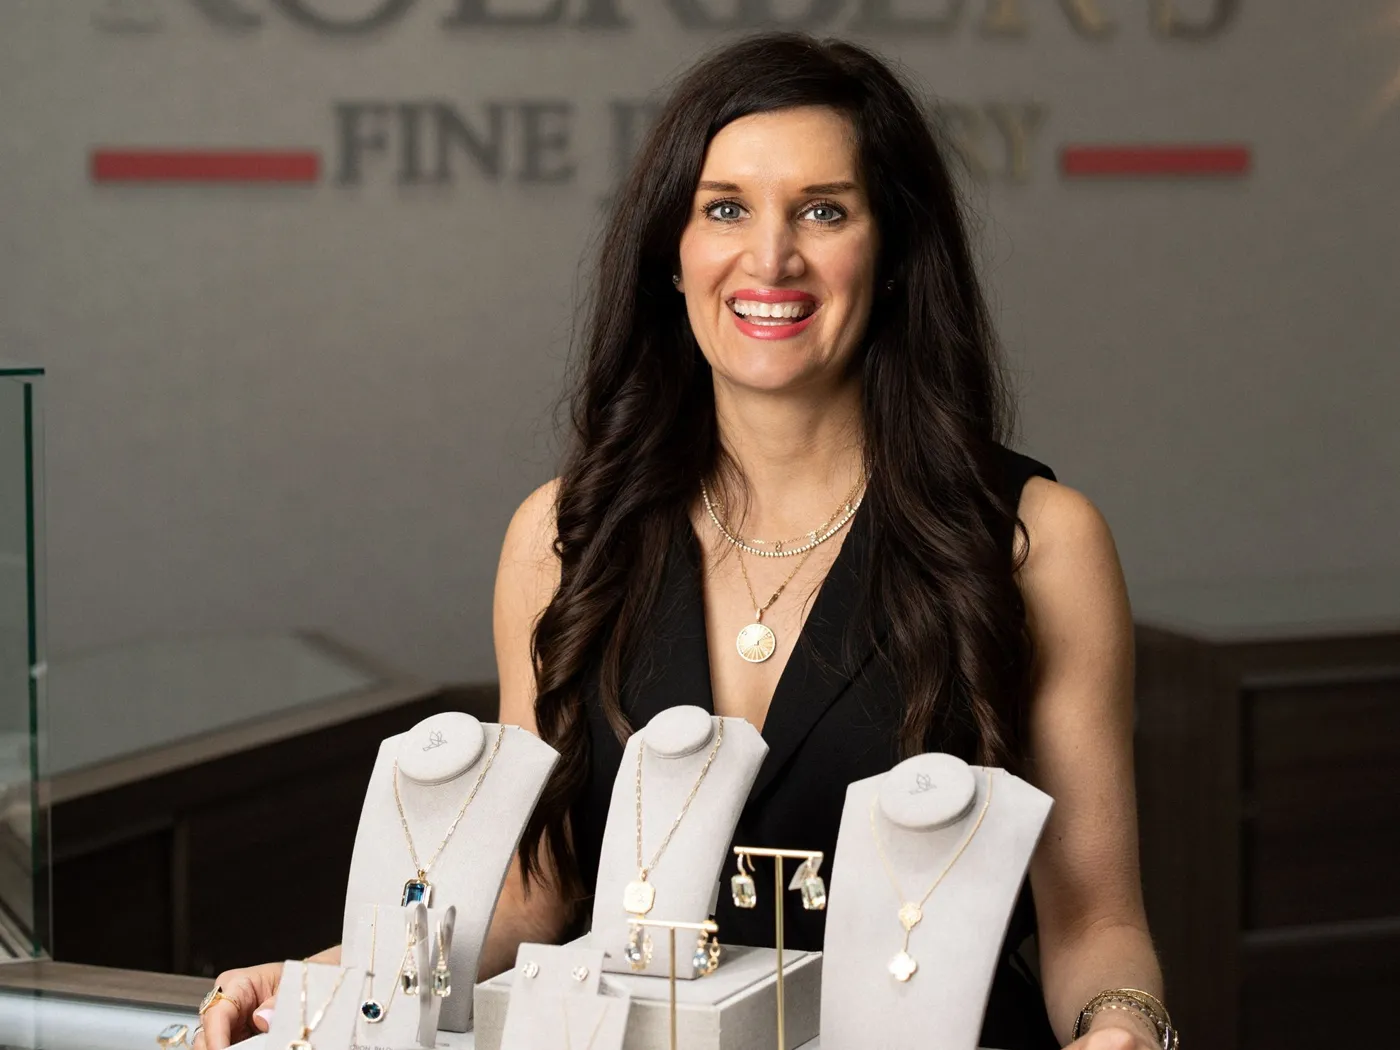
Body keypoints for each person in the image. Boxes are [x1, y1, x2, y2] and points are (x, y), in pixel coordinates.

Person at [200, 32, 1168, 1050]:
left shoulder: (1034, 542)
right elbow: (534, 889)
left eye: (823, 211)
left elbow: (1095, 924)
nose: (770, 258)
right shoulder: (562, 536)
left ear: (888, 254)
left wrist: (1122, 1028)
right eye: (725, 209)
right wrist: (325, 982)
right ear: (674, 250)